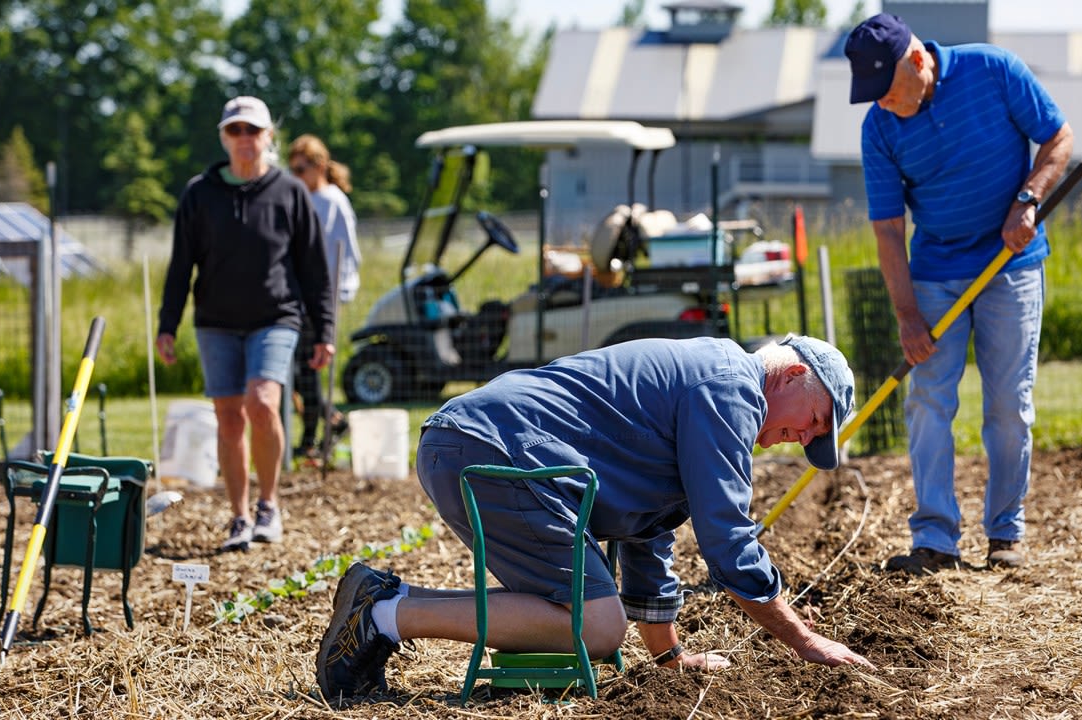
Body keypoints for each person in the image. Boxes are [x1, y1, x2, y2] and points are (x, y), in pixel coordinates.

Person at [315, 335, 874, 701]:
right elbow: (727, 540)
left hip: (473, 443)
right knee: (598, 627)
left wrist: (670, 657)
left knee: (593, 617)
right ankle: (384, 616)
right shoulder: (731, 389)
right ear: (793, 373)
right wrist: (805, 642)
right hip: (495, 451)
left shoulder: (716, 381)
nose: (801, 439)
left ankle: (383, 597)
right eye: (815, 421)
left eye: (814, 440)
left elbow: (649, 533)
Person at [844, 14, 1073, 573]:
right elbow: (889, 230)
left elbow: (1058, 139)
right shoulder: (879, 127)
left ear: (918, 62)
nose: (883, 106)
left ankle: (1005, 534)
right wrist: (906, 315)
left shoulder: (992, 71)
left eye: (889, 94)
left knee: (1007, 406)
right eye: (873, 97)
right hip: (936, 271)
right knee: (927, 401)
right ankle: (935, 539)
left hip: (1010, 265)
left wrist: (1029, 199)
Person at [157, 96, 335, 552]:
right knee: (229, 418)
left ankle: (269, 505)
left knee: (262, 402)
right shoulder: (200, 193)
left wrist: (325, 331)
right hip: (216, 321)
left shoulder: (289, 192)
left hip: (275, 317)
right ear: (224, 137)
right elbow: (181, 266)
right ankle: (238, 515)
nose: (244, 139)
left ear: (268, 136)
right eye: (235, 130)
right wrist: (167, 324)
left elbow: (314, 269)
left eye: (253, 131)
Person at [287, 134, 361, 461]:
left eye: (301, 169)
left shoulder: (330, 201)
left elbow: (346, 253)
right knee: (299, 370)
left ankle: (310, 439)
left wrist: (335, 296)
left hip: (318, 300)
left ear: (318, 166)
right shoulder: (306, 198)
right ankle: (331, 422)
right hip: (299, 298)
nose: (296, 176)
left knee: (307, 368)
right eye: (292, 170)